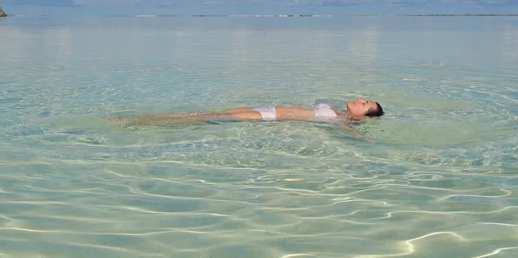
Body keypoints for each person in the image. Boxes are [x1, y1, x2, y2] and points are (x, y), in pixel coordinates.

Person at [112, 97, 384, 141]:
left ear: (364, 115)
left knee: (204, 118)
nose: (360, 100)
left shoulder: (342, 122)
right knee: (202, 114)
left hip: (266, 117)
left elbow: (354, 135)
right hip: (262, 106)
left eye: (365, 104)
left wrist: (365, 138)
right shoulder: (336, 110)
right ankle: (141, 118)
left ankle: (138, 123)